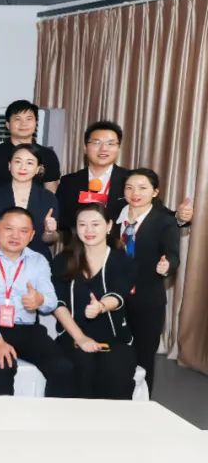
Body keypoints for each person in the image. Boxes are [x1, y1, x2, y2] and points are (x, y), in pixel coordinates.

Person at [0, 207, 73, 397]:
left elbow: (51, 301)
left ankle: (50, 415)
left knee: (62, 368)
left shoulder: (38, 260)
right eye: (9, 229)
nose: (15, 236)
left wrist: (40, 300)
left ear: (32, 235)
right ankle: (1, 416)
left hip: (26, 328)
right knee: (3, 364)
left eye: (23, 231)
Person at [52, 203, 137, 399]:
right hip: (73, 336)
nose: (89, 230)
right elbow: (58, 303)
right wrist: (80, 338)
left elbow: (118, 294)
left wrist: (101, 306)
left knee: (115, 375)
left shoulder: (122, 260)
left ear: (109, 226)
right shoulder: (63, 260)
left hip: (114, 339)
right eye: (82, 225)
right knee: (78, 372)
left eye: (95, 224)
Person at [112, 168, 181, 391]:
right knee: (113, 354)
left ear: (155, 192)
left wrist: (167, 266)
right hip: (112, 297)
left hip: (147, 300)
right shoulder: (112, 216)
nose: (135, 193)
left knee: (143, 358)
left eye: (143, 188)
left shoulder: (164, 221)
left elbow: (173, 255)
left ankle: (141, 403)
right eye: (129, 188)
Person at [0, 143, 60, 260]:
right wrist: (2, 255)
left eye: (29, 163)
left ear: (38, 169)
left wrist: (49, 232)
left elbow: (50, 240)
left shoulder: (48, 198)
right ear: (10, 165)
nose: (22, 167)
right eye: (18, 161)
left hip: (36, 260)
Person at [56, 121, 129, 230]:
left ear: (118, 148)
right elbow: (61, 222)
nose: (103, 148)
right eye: (96, 143)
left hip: (117, 240)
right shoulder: (69, 182)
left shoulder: (129, 180)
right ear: (85, 148)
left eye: (110, 144)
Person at [0, 100, 61, 193]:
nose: (24, 124)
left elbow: (51, 192)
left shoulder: (48, 155)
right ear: (8, 125)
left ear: (36, 123)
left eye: (29, 119)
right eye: (18, 119)